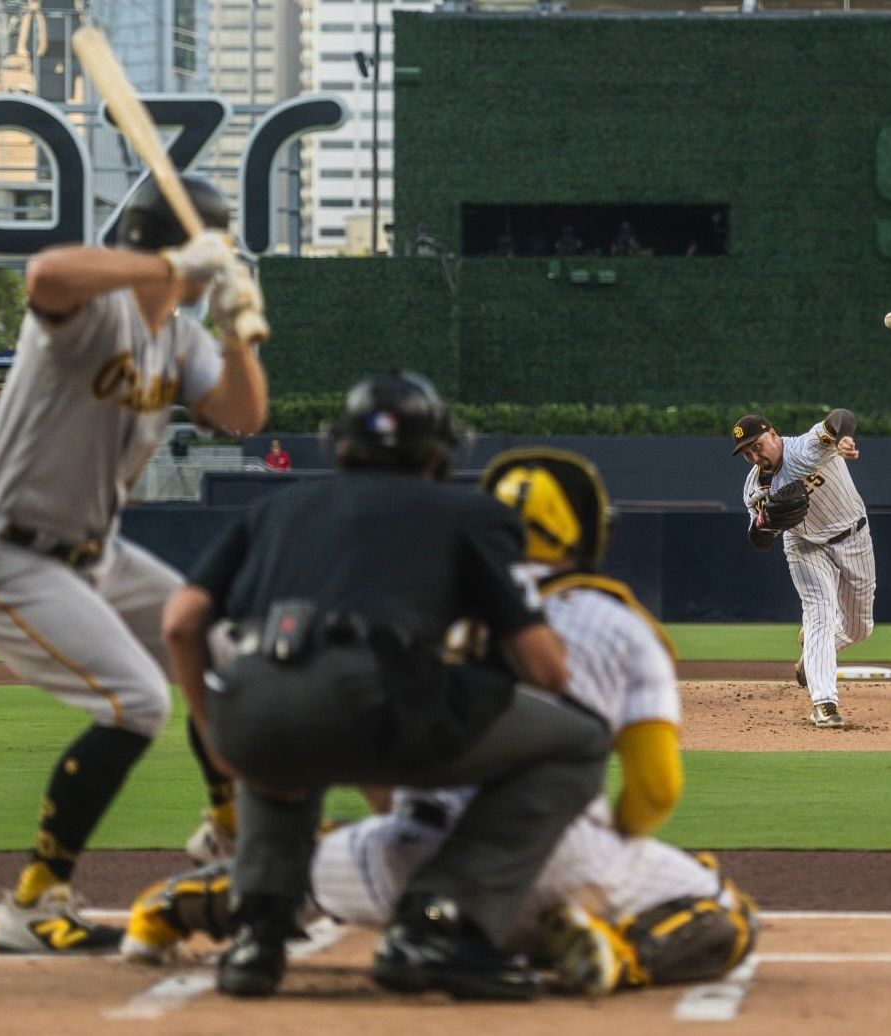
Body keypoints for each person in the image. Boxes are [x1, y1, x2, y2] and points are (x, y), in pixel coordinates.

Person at [124, 448, 757, 996]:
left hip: (393, 862)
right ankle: (614, 951)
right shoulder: (619, 624)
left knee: (311, 854)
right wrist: (621, 847)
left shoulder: (421, 606)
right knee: (722, 909)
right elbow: (653, 790)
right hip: (560, 864)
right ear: (586, 533)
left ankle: (188, 902)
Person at [162, 371, 609, 1000]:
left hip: (252, 703)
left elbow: (181, 623)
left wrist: (214, 731)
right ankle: (438, 922)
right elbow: (547, 670)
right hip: (380, 699)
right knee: (580, 741)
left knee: (282, 725)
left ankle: (255, 938)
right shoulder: (470, 512)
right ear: (437, 450)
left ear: (339, 445)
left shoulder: (274, 508)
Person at [0, 174, 270, 956]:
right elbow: (46, 275)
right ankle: (32, 903)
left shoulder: (180, 336)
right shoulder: (93, 309)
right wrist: (174, 267)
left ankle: (227, 831)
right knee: (136, 702)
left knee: (217, 651)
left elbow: (243, 417)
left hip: (96, 552)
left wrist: (237, 335)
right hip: (5, 551)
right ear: (175, 251)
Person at [731, 412, 875, 728]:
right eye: (747, 453)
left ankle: (810, 653)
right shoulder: (756, 487)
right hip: (804, 546)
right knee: (820, 613)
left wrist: (843, 438)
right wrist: (766, 524)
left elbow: (841, 417)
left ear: (772, 434)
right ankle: (824, 703)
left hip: (853, 535)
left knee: (859, 629)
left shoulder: (807, 447)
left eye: (756, 445)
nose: (755, 455)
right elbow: (759, 541)